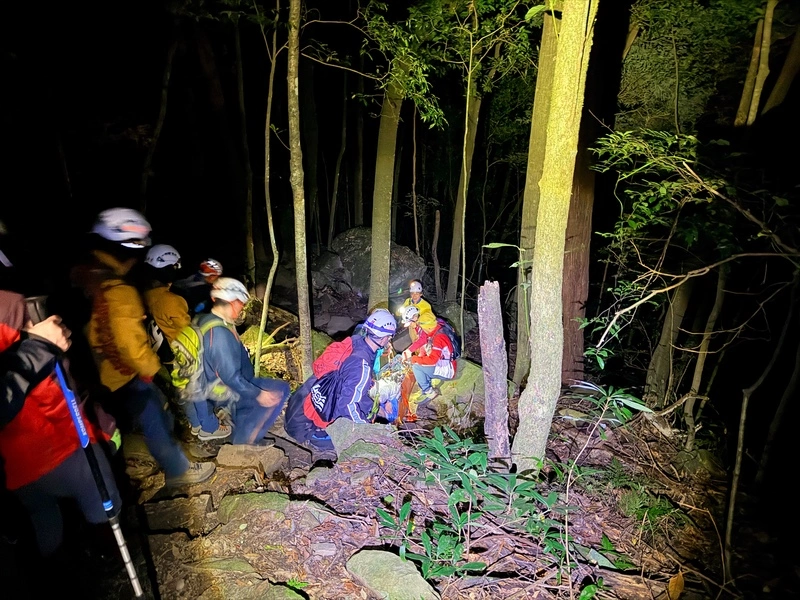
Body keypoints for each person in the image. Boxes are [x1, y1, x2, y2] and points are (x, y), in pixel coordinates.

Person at [74, 207, 215, 486]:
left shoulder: (85, 276)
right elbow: (131, 343)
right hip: (121, 375)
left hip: (89, 376)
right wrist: (150, 369)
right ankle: (178, 469)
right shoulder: (119, 290)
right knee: (156, 416)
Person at [0, 290, 123, 559]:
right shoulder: (16, 323)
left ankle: (53, 568)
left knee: (42, 516)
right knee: (99, 492)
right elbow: (60, 403)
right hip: (55, 453)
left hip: (14, 468)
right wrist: (103, 429)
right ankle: (109, 552)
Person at [187, 277, 289, 445]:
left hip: (209, 384)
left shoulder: (208, 320)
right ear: (233, 302)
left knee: (254, 393)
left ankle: (238, 421)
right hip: (222, 389)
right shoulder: (219, 334)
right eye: (241, 303)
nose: (242, 308)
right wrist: (259, 394)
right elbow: (231, 377)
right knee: (279, 390)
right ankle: (245, 444)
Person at [284, 308, 397, 456]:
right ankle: (320, 438)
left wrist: (375, 408)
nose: (389, 340)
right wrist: (366, 428)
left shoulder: (354, 343)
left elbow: (352, 388)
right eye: (390, 337)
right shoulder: (361, 365)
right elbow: (347, 405)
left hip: (297, 408)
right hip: (306, 427)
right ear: (384, 338)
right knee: (359, 438)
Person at [403, 316, 457, 404]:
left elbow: (432, 360)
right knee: (420, 364)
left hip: (448, 369)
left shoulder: (439, 337)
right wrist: (418, 358)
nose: (422, 331)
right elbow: (425, 349)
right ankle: (427, 388)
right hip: (444, 363)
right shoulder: (435, 332)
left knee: (416, 367)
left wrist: (415, 359)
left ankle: (430, 392)